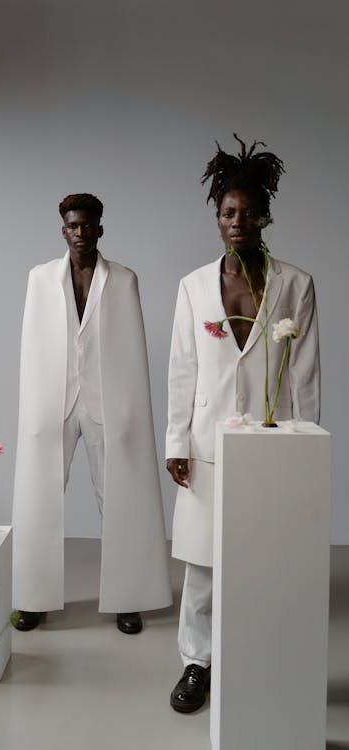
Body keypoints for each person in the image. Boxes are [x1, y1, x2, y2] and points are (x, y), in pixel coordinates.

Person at [166, 135, 320, 712]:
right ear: (217, 217)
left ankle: (261, 655)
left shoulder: (295, 285)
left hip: (270, 445)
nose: (239, 221)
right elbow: (183, 369)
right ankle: (196, 664)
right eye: (229, 212)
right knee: (202, 563)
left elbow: (304, 374)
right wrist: (175, 440)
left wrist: (304, 448)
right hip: (205, 445)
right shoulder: (193, 287)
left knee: (267, 556)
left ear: (265, 216)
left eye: (250, 212)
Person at [12, 193, 172, 634]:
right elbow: (32, 346)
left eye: (87, 225)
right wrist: (33, 409)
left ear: (100, 228)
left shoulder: (123, 280)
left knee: (121, 499)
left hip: (108, 402)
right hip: (53, 401)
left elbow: (132, 350)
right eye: (72, 225)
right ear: (63, 230)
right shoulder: (41, 278)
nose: (80, 232)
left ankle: (129, 597)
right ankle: (32, 598)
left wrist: (131, 410)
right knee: (39, 498)